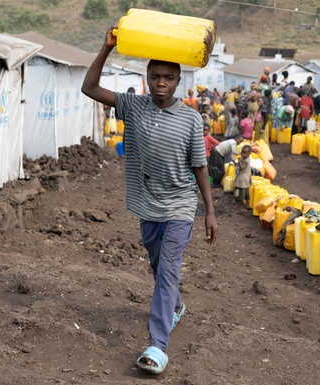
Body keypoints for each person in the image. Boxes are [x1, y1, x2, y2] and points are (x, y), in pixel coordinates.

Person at [80, 24, 217, 375]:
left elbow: (200, 167)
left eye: (168, 78)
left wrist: (209, 212)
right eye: (155, 76)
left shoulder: (190, 119)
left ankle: (157, 345)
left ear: (177, 81)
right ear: (146, 78)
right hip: (147, 204)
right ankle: (175, 304)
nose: (160, 83)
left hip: (180, 206)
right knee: (159, 268)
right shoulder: (133, 106)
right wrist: (106, 47)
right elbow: (89, 87)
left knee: (168, 268)